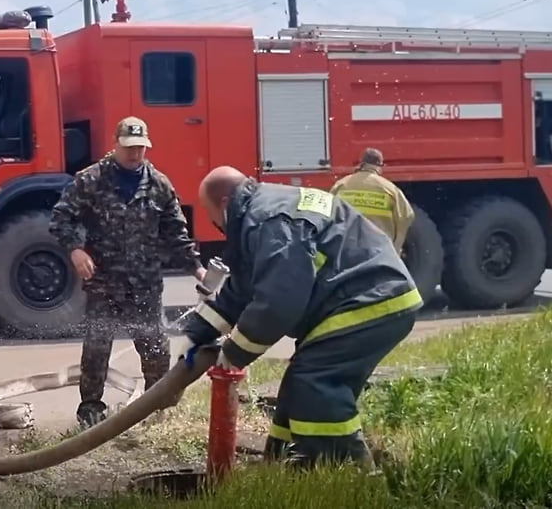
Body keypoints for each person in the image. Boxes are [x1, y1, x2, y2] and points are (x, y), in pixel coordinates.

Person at [179, 166, 423, 469]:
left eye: (209, 213)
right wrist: (194, 336)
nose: (213, 224)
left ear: (224, 202)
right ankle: (285, 466)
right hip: (364, 295)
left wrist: (235, 352)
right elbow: (240, 292)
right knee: (298, 384)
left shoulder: (269, 219)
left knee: (316, 382)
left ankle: (347, 478)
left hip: (369, 299)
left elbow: (280, 301)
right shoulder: (263, 212)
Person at [49, 116, 206, 429]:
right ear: (115, 144)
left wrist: (196, 267)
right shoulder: (90, 180)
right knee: (97, 347)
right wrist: (75, 249)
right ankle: (91, 410)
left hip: (145, 284)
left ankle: (157, 408)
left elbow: (175, 232)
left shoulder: (159, 184)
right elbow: (60, 219)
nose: (135, 154)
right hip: (103, 283)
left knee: (155, 348)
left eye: (141, 148)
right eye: (129, 148)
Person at [330, 148, 415, 254]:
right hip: (379, 249)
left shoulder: (341, 185)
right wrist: (396, 246)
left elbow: (328, 214)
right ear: (380, 166)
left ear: (362, 163)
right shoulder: (390, 189)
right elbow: (407, 216)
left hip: (347, 248)